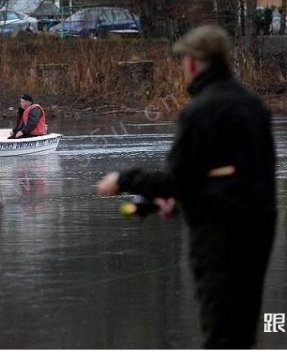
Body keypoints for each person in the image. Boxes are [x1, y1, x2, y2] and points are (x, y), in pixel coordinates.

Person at [96, 25, 276, 349]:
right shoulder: (253, 105)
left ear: (193, 62)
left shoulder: (200, 110)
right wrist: (179, 203)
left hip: (218, 236)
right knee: (242, 330)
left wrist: (123, 180)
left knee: (220, 331)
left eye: (184, 61)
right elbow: (241, 177)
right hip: (258, 231)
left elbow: (179, 179)